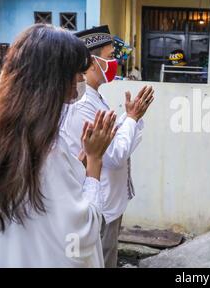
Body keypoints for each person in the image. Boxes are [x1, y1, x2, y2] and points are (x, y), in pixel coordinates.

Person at [0, 24, 117, 267]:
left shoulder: (13, 135)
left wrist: (78, 166)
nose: (81, 78)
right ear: (52, 77)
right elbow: (83, 233)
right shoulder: (47, 150)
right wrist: (94, 161)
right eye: (75, 71)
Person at [61, 25, 154, 268]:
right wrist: (131, 119)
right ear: (93, 61)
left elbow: (111, 137)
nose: (115, 62)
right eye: (111, 56)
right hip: (99, 204)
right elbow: (113, 156)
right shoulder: (82, 104)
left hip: (108, 202)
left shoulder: (94, 96)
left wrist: (128, 117)